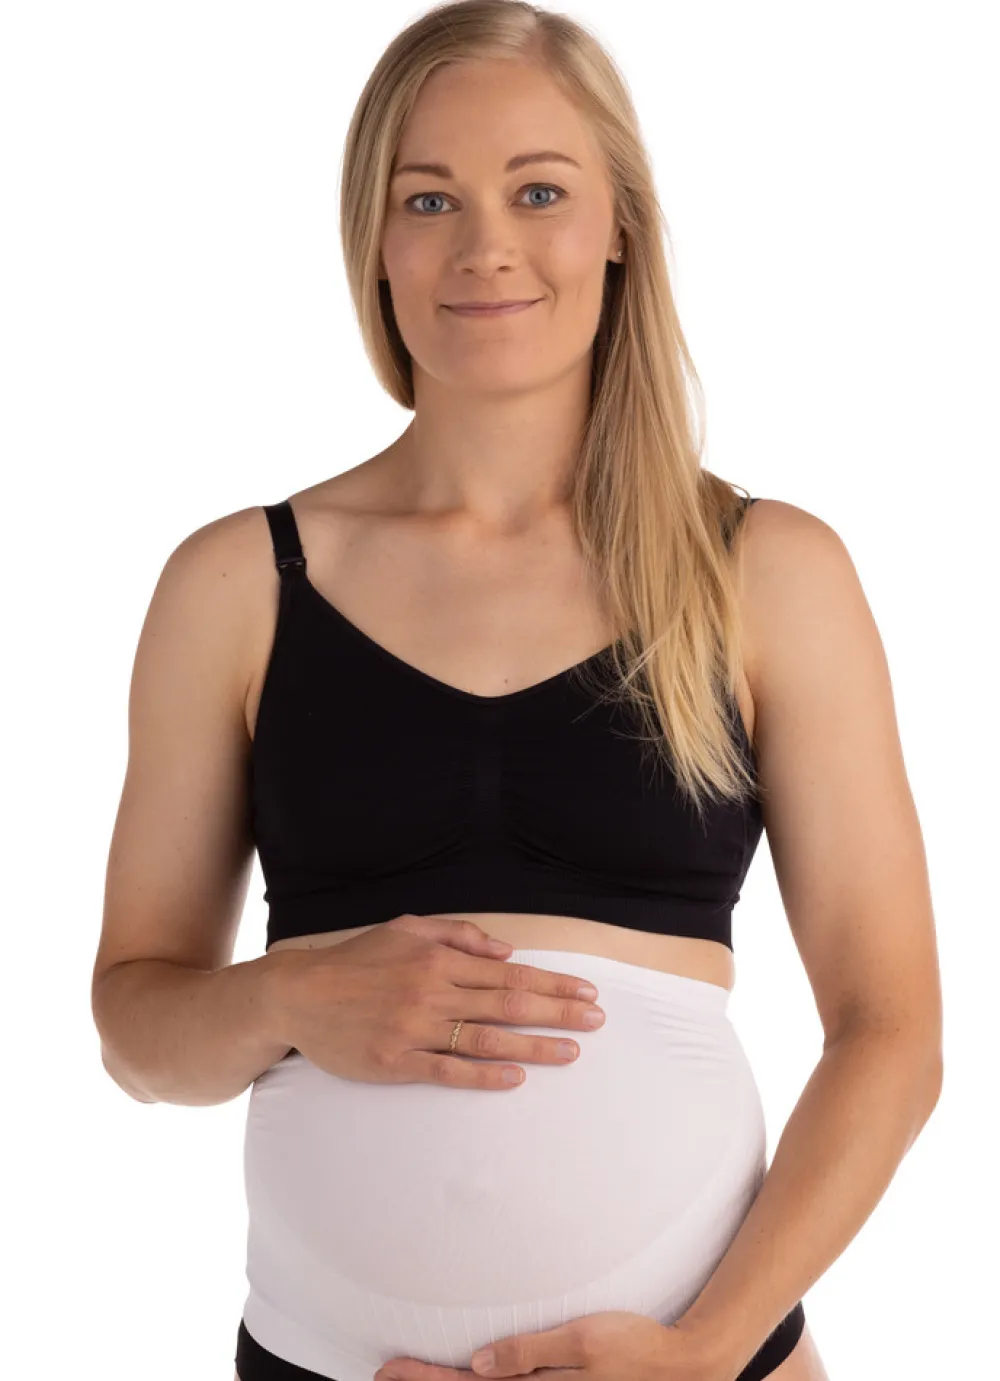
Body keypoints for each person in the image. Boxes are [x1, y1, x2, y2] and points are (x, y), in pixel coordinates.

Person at [90, 4, 943, 1381]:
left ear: (619, 224)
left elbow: (893, 1036)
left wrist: (706, 1351)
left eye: (538, 190)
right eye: (428, 199)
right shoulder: (237, 584)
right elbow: (138, 1033)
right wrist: (286, 997)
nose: (484, 246)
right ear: (374, 239)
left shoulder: (763, 572)